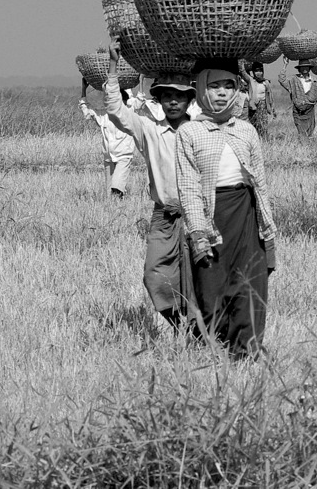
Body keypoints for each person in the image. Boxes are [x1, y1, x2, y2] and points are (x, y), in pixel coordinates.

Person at [176, 58, 277, 360]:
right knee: (212, 287)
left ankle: (247, 351)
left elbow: (260, 181)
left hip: (245, 212)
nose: (221, 92)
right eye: (214, 86)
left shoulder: (246, 131)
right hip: (211, 215)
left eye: (228, 86)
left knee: (250, 283)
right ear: (202, 89)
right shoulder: (189, 132)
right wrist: (197, 231)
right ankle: (215, 348)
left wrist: (267, 227)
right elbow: (188, 186)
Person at [104, 48, 198, 330]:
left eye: (179, 96)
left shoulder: (201, 132)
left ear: (189, 100)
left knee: (196, 278)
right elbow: (115, 109)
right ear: (158, 100)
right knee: (154, 275)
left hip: (198, 215)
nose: (173, 101)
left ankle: (197, 331)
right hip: (164, 216)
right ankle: (179, 325)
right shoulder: (149, 130)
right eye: (167, 96)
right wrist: (112, 65)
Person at [79, 78, 137, 198]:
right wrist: (84, 89)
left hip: (124, 156)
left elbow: (136, 100)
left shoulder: (130, 113)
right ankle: (115, 209)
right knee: (109, 193)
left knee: (116, 187)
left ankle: (119, 201)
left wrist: (132, 81)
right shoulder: (103, 115)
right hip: (108, 158)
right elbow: (86, 110)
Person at [278, 58, 317, 138]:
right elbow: (282, 80)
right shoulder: (293, 79)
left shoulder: (315, 81)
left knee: (310, 133)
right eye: (302, 67)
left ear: (309, 68)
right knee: (301, 133)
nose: (304, 69)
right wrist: (285, 65)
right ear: (299, 69)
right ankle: (303, 147)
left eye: (306, 67)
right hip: (298, 111)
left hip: (310, 111)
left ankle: (307, 148)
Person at [241, 62, 276, 139]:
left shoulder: (265, 82)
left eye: (260, 71)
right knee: (253, 124)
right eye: (256, 71)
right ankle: (255, 140)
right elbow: (243, 73)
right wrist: (242, 62)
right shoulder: (251, 80)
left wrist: (272, 108)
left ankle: (263, 140)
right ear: (253, 72)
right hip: (253, 106)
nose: (258, 73)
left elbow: (270, 96)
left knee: (263, 125)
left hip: (262, 106)